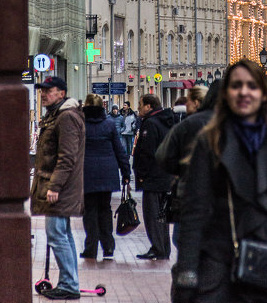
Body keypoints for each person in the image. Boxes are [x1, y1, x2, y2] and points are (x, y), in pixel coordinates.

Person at [170, 59, 267, 303]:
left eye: (251, 86)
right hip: (218, 262)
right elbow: (194, 211)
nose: (244, 92)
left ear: (263, 94)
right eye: (236, 86)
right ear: (226, 94)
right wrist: (187, 272)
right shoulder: (209, 140)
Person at [31, 76, 85, 301]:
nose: (44, 94)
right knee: (63, 235)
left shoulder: (66, 118)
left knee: (56, 235)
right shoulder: (56, 115)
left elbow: (67, 158)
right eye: (42, 91)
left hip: (60, 189)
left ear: (62, 93)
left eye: (49, 90)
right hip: (60, 187)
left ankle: (69, 284)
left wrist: (55, 187)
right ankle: (69, 281)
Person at [156, 81, 219, 246]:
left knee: (182, 237)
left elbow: (163, 156)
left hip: (190, 189)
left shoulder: (187, 125)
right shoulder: (227, 122)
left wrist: (180, 169)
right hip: (221, 193)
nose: (186, 104)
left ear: (197, 103)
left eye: (188, 101)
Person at [80, 94, 131, 261]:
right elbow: (119, 150)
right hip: (107, 173)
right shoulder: (109, 124)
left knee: (90, 211)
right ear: (102, 106)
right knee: (105, 209)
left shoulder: (81, 125)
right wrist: (126, 172)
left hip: (87, 172)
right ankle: (108, 246)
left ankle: (91, 247)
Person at [133, 93, 175, 260]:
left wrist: (141, 174)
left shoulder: (150, 123)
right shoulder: (167, 121)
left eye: (140, 105)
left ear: (149, 106)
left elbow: (146, 152)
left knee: (152, 215)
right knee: (162, 215)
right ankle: (164, 248)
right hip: (165, 175)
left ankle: (157, 248)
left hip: (152, 177)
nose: (138, 109)